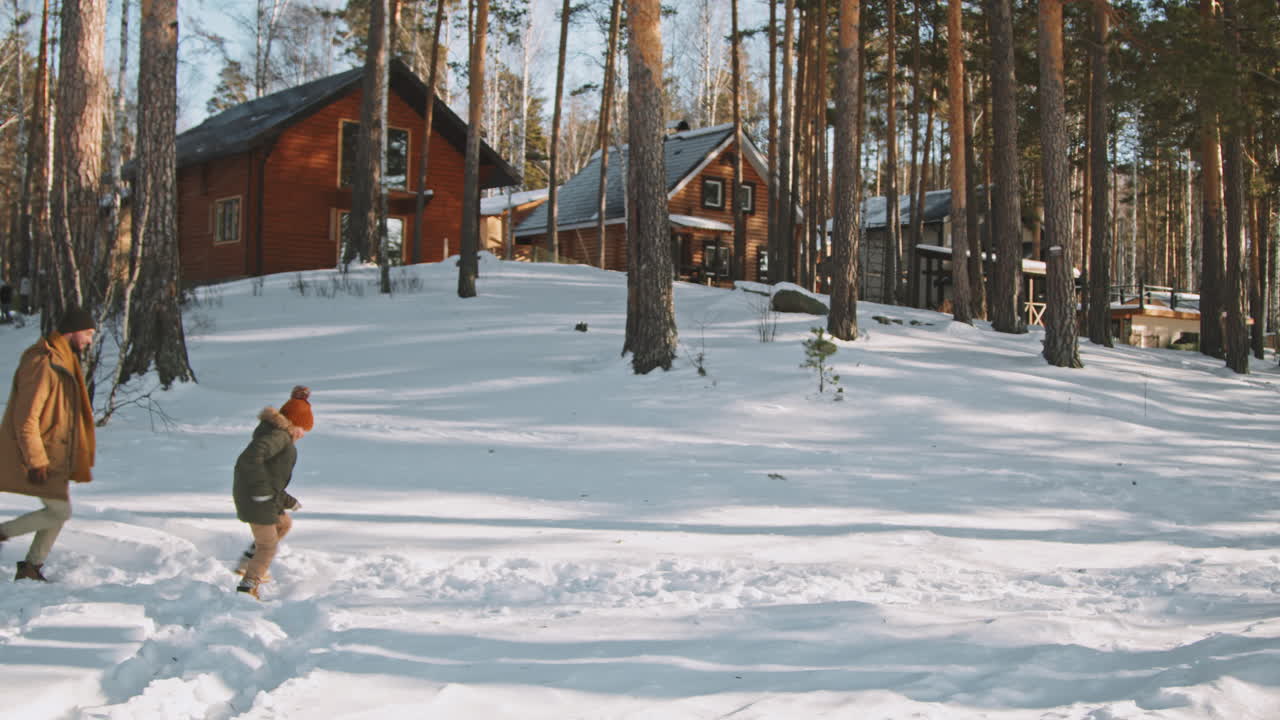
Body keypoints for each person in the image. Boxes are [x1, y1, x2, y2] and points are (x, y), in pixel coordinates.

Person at [0, 306, 97, 581]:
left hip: (55, 453)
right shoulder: (42, 363)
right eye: (88, 333)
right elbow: (26, 418)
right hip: (40, 454)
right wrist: (36, 460)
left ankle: (32, 567)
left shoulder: (62, 360)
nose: (90, 340)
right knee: (59, 511)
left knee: (58, 511)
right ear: (74, 331)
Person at [232, 385, 312, 599]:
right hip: (256, 499)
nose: (303, 435)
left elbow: (272, 478)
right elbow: (251, 458)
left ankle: (249, 562)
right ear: (295, 425)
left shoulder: (280, 437)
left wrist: (288, 501)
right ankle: (247, 588)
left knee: (283, 523)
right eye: (304, 429)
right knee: (267, 547)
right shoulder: (279, 437)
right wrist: (260, 491)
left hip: (262, 497)